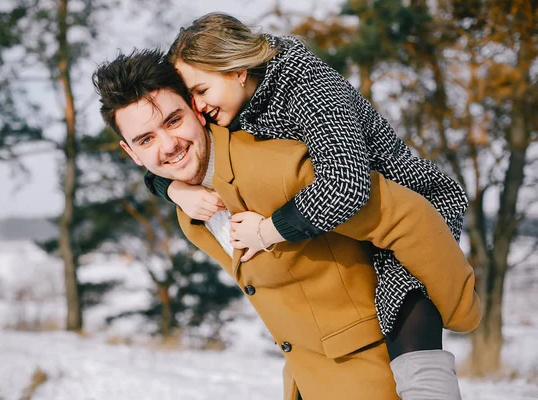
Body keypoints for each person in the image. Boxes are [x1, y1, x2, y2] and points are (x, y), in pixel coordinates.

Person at [92, 48, 481, 400]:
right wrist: (171, 189)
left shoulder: (275, 168)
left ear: (197, 108)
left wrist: (459, 310)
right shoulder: (189, 205)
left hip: (375, 381)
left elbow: (410, 216)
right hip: (306, 381)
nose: (168, 145)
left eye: (173, 121)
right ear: (131, 153)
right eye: (145, 140)